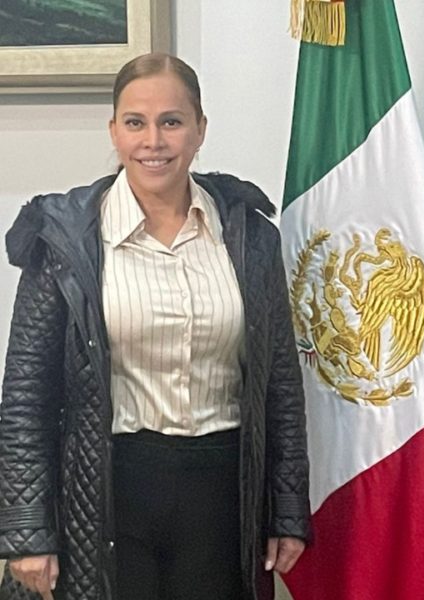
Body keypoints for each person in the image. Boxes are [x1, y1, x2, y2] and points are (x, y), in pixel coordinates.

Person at [0, 53, 310, 600]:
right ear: (114, 131)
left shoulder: (248, 235)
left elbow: (280, 384)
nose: (153, 141)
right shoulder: (65, 239)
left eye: (171, 121)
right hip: (109, 497)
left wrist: (287, 511)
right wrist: (28, 531)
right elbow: (27, 395)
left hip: (223, 498)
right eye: (135, 122)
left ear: (200, 130)